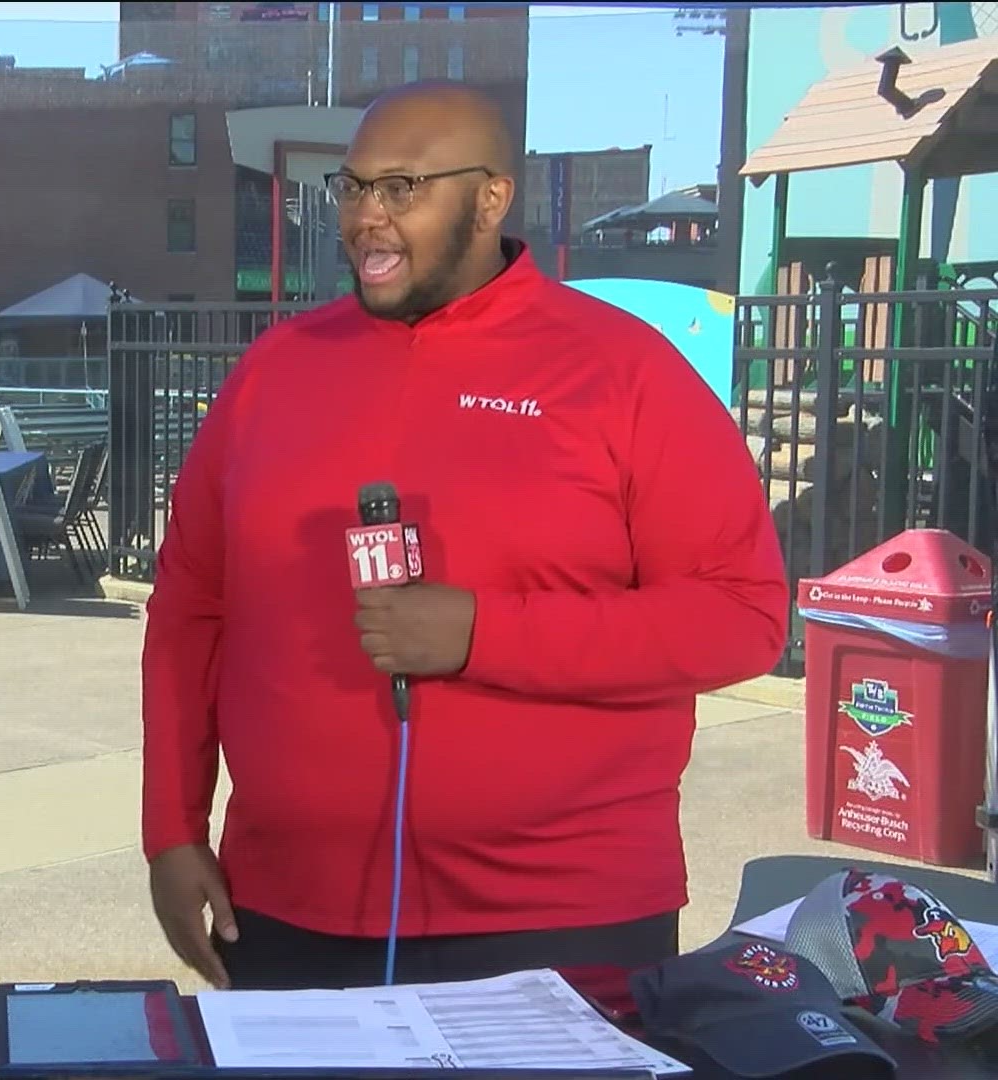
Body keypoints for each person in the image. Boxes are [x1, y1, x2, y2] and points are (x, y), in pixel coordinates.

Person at [140, 82, 788, 991]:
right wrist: (170, 828)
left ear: (491, 198)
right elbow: (188, 611)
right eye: (354, 187)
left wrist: (484, 633)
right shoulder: (272, 374)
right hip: (288, 909)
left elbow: (742, 616)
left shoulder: (623, 371)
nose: (367, 216)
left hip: (564, 919)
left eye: (402, 188)